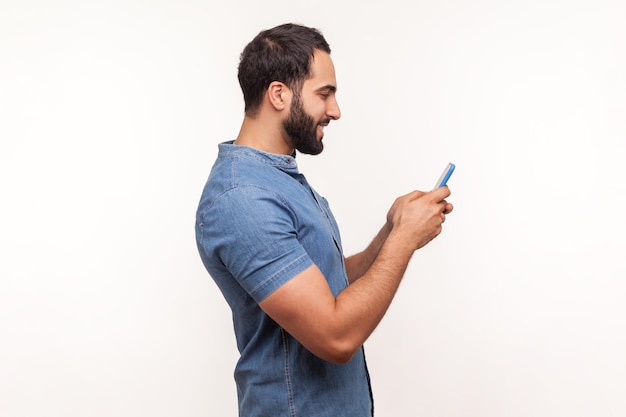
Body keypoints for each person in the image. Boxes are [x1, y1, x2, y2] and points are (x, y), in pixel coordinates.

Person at [195, 23, 453, 417]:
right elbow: (336, 336)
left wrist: (393, 230)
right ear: (278, 94)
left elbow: (326, 286)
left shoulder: (277, 180)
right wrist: (403, 240)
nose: (335, 110)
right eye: (325, 93)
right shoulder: (242, 198)